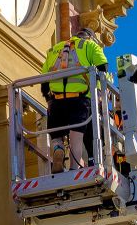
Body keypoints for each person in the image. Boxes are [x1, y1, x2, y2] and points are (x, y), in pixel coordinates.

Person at [40, 27, 108, 172]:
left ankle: (58, 150)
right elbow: (103, 67)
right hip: (79, 99)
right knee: (75, 138)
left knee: (56, 136)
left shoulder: (55, 49)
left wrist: (49, 99)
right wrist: (100, 91)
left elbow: (44, 80)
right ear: (89, 37)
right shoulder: (90, 45)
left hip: (56, 100)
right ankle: (73, 168)